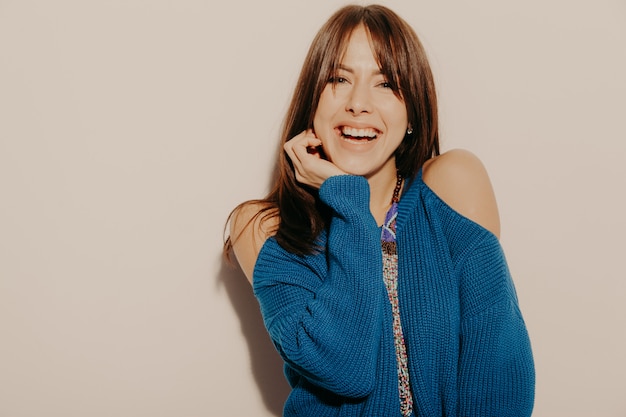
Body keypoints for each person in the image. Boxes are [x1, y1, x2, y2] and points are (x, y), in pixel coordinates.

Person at [224, 4, 534, 416]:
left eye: (385, 83)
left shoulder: (454, 185)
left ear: (411, 112)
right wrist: (347, 201)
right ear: (312, 99)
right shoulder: (263, 227)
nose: (358, 103)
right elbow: (342, 369)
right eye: (339, 79)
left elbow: (498, 372)